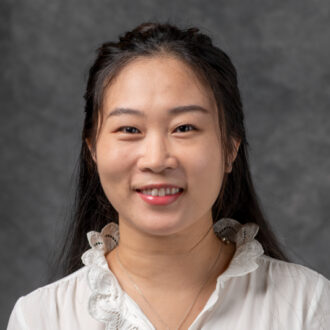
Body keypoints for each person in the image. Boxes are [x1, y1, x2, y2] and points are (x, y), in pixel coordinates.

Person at [7, 22, 330, 330]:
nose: (157, 160)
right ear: (92, 151)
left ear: (231, 148)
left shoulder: (308, 304)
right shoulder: (42, 317)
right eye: (129, 129)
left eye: (184, 128)